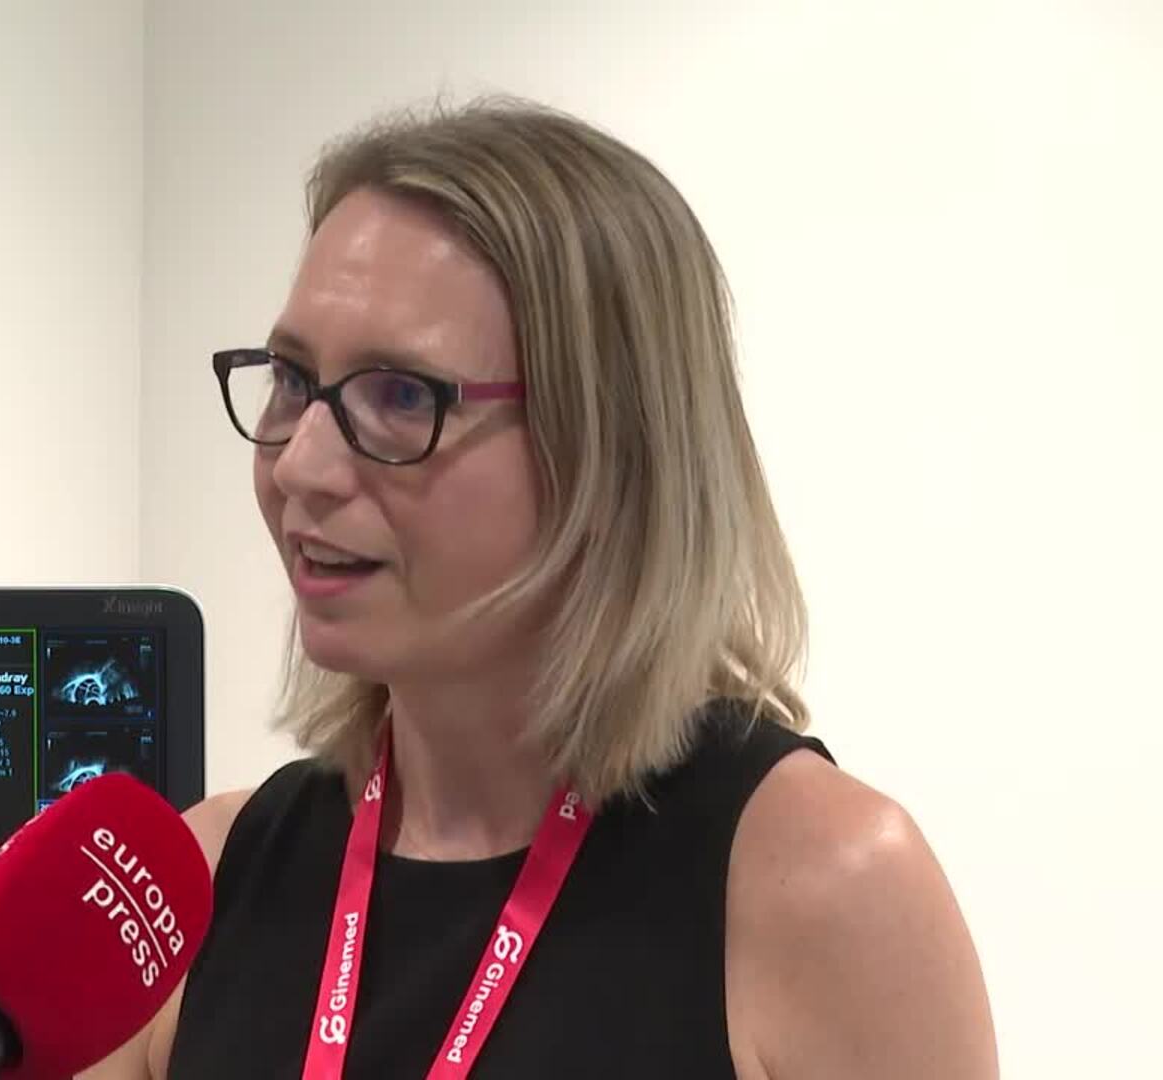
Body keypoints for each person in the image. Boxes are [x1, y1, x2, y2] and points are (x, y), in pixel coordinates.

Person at [85, 97, 996, 1079]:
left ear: (610, 451)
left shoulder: (826, 889)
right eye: (295, 380)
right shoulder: (194, 887)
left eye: (401, 396)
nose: (301, 464)